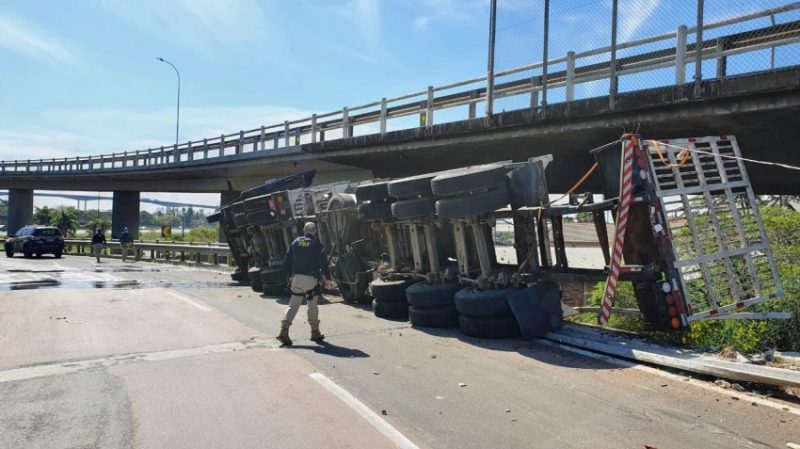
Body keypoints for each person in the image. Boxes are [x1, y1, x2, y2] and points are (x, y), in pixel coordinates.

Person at [277, 222, 332, 346]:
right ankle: (315, 331)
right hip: (311, 280)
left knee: (293, 305)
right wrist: (328, 278)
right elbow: (324, 263)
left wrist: (291, 275)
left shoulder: (295, 242)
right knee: (312, 305)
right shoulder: (317, 244)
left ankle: (284, 330)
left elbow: (285, 262)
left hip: (296, 278)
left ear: (303, 230)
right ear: (315, 231)